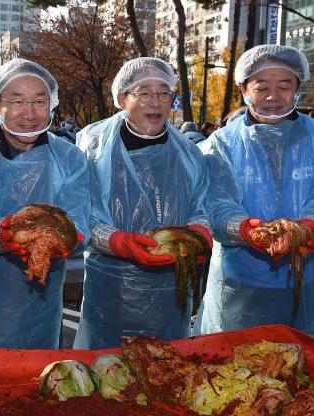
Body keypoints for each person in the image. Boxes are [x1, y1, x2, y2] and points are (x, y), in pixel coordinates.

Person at [0, 58, 90, 349]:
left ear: (52, 105)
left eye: (39, 101)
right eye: (17, 100)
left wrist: (67, 236)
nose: (30, 113)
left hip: (42, 308)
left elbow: (75, 224)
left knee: (36, 382)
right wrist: (3, 234)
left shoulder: (70, 158)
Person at [74, 57, 212, 349]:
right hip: (109, 290)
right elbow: (80, 210)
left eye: (164, 93)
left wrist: (199, 234)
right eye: (145, 93)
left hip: (170, 296)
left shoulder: (188, 153)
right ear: (122, 98)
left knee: (165, 373)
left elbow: (201, 207)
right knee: (106, 376)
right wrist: (117, 241)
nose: (156, 102)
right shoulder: (94, 147)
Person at [194, 45, 314, 335]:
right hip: (239, 287)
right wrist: (246, 229)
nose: (273, 96)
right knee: (234, 371)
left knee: (300, 371)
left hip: (308, 282)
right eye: (262, 87)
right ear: (243, 89)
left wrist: (309, 227)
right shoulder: (221, 144)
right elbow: (216, 204)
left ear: (298, 87)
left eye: (284, 86)